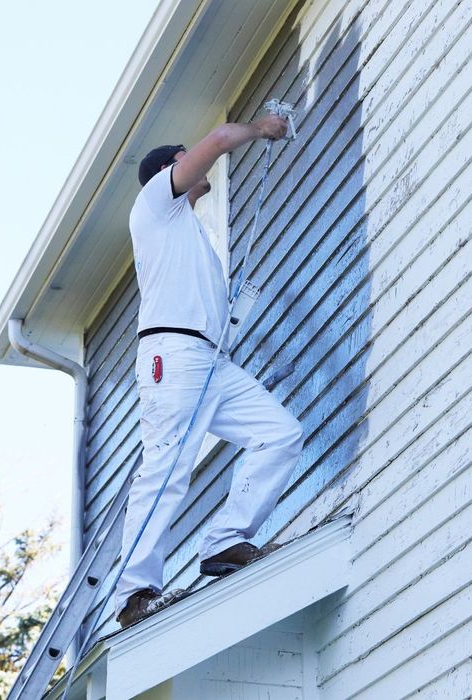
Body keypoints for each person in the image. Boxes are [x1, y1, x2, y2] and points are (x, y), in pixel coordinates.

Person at [115, 115, 304, 628]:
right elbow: (220, 139)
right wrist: (264, 129)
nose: (192, 156)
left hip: (212, 363)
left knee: (280, 434)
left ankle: (224, 541)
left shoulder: (189, 232)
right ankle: (135, 592)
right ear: (170, 169)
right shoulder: (155, 206)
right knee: (167, 468)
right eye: (184, 152)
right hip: (171, 355)